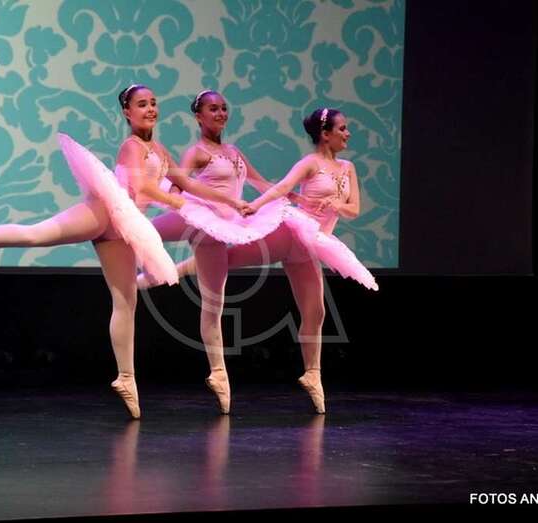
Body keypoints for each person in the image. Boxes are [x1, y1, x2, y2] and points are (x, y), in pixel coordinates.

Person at [0, 85, 241, 419]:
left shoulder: (159, 150)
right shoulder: (131, 146)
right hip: (103, 212)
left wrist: (230, 201)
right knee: (35, 235)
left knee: (126, 302)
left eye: (153, 103)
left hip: (124, 228)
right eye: (142, 104)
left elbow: (188, 181)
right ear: (127, 112)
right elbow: (142, 188)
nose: (150, 109)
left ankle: (126, 378)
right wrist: (175, 200)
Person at [148, 108, 379, 414]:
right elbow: (282, 186)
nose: (348, 134)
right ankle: (169, 272)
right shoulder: (309, 163)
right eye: (343, 128)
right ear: (326, 134)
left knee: (316, 311)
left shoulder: (348, 167)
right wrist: (253, 206)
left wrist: (336, 203)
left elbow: (354, 209)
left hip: (312, 246)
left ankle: (313, 375)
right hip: (290, 235)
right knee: (223, 261)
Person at [141, 90, 291, 414]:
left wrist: (285, 198)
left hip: (221, 230)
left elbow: (261, 182)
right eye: (213, 109)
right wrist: (169, 196)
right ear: (199, 116)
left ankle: (219, 375)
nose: (220, 113)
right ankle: (138, 275)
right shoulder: (196, 152)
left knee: (214, 305)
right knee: (141, 231)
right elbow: (180, 182)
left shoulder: (234, 152)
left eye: (224, 108)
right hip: (198, 217)